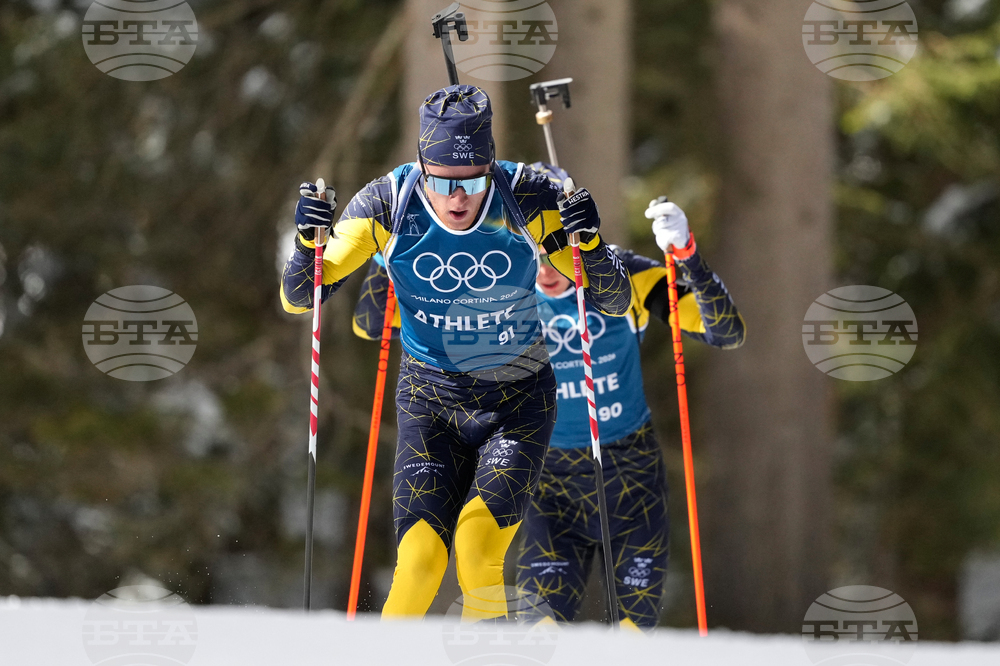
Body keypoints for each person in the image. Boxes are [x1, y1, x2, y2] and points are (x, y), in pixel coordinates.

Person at [280, 86, 633, 620]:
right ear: (422, 167)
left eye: (470, 182)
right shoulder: (386, 203)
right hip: (431, 399)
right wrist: (308, 240)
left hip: (517, 403)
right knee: (420, 560)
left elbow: (612, 297)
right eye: (442, 181)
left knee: (476, 549)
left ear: (490, 167)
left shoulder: (527, 196)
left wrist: (588, 244)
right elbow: (300, 297)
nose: (457, 198)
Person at [353, 162, 745, 630]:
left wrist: (686, 254)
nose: (544, 264)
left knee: (633, 637)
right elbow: (371, 323)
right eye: (531, 246)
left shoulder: (621, 279)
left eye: (554, 243)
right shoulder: (492, 285)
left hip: (629, 476)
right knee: (542, 633)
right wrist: (387, 245)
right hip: (549, 483)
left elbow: (726, 330)